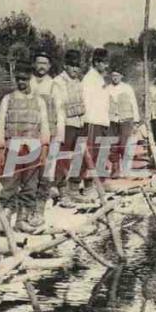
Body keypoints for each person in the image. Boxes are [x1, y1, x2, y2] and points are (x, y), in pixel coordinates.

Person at [0, 53, 50, 232]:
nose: (21, 82)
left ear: (30, 78)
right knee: (9, 183)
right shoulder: (7, 99)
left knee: (30, 185)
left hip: (32, 148)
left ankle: (22, 219)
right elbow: (0, 124)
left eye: (25, 79)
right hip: (13, 148)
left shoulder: (39, 101)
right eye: (18, 79)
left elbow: (45, 126)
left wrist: (44, 148)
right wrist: (0, 148)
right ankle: (4, 220)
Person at [29, 50, 64, 228]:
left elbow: (59, 113)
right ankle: (25, 210)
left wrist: (58, 136)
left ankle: (39, 211)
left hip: (49, 136)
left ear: (49, 66)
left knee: (46, 173)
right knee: (28, 172)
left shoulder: (53, 86)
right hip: (29, 135)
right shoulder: (27, 83)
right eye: (39, 62)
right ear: (34, 64)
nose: (41, 66)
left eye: (45, 63)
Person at [53, 49, 87, 207]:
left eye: (77, 66)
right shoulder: (58, 82)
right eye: (72, 65)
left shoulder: (79, 82)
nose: (75, 69)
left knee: (80, 157)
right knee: (63, 159)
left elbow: (83, 104)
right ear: (65, 65)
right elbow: (60, 106)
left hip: (79, 123)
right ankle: (62, 193)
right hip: (65, 124)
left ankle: (74, 189)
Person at [80, 48, 111, 199]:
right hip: (92, 121)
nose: (107, 66)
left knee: (101, 154)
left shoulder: (99, 78)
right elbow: (86, 102)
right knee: (91, 155)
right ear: (97, 62)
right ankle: (88, 187)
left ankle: (98, 183)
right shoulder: (89, 79)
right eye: (104, 63)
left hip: (102, 121)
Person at [106, 63, 140, 178]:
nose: (115, 78)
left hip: (126, 119)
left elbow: (134, 104)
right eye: (113, 75)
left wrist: (136, 121)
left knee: (125, 144)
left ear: (121, 76)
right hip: (112, 120)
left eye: (117, 75)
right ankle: (115, 169)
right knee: (113, 144)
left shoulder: (127, 88)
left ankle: (126, 170)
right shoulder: (107, 89)